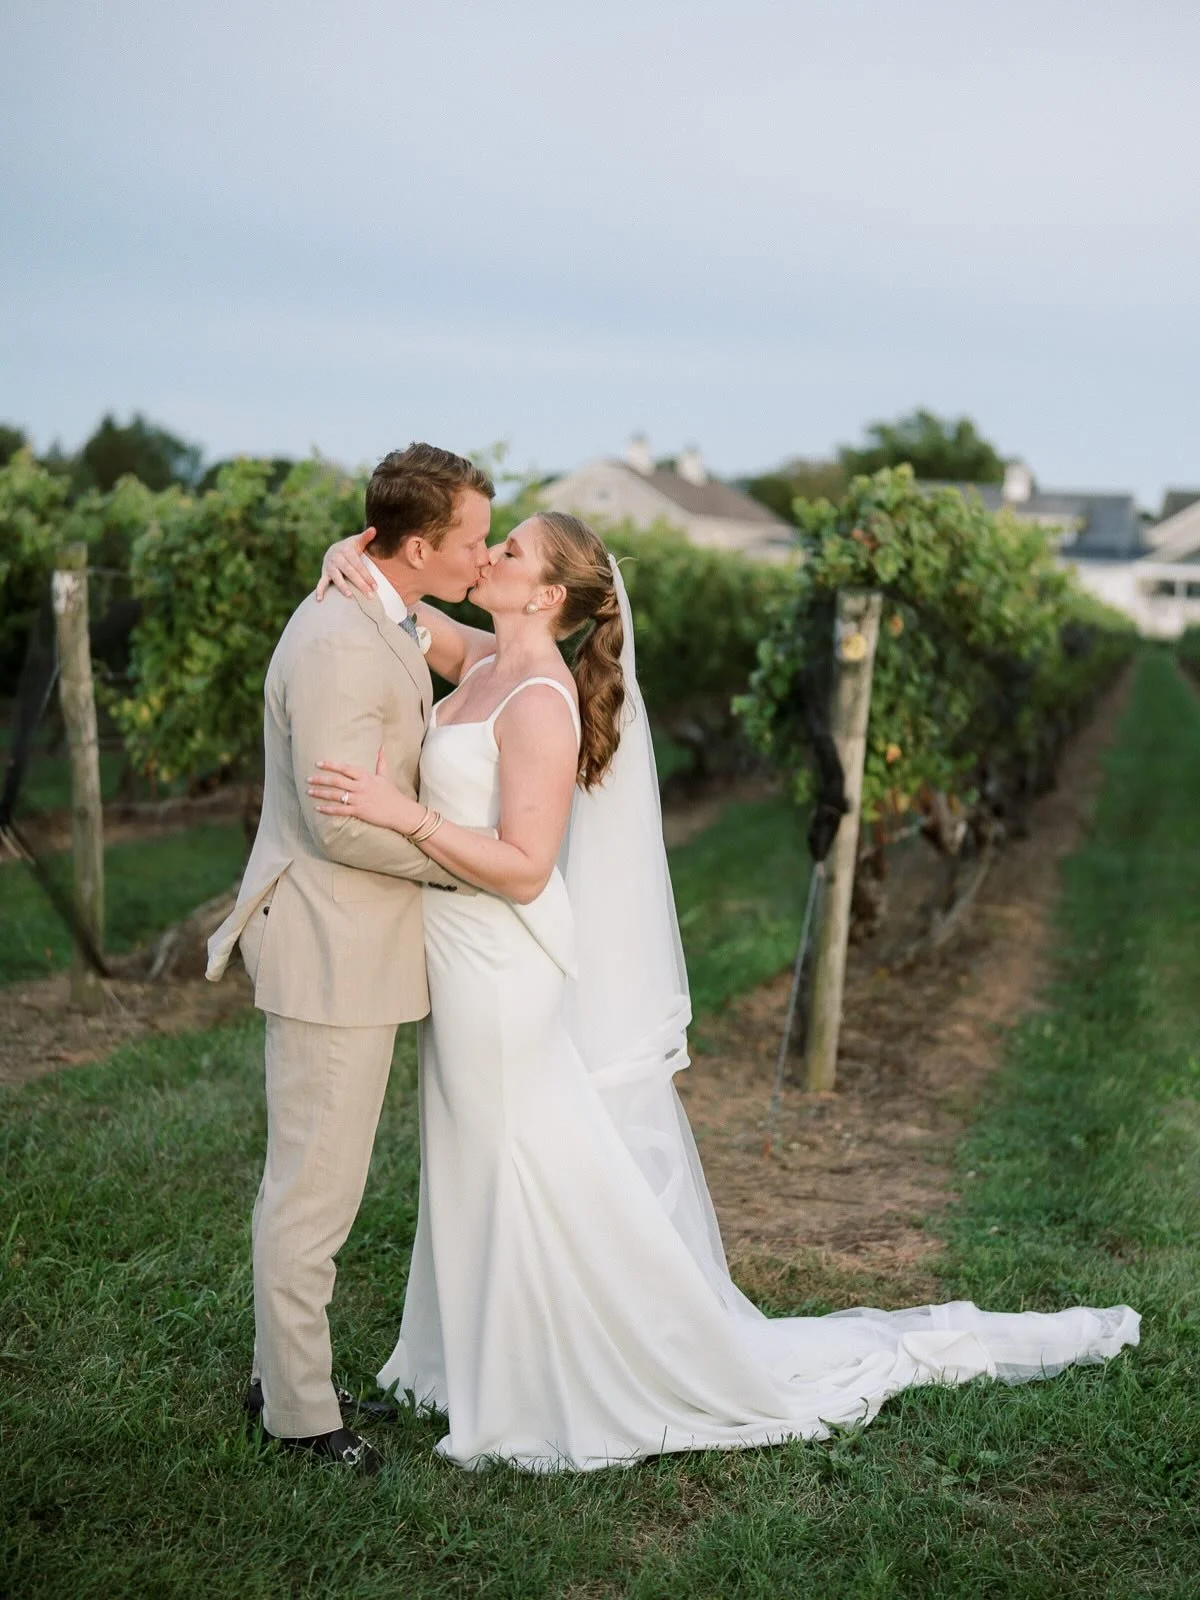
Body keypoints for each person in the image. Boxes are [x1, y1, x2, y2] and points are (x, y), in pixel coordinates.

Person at [311, 510, 1140, 1473]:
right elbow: (413, 622)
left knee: (514, 1156)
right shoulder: (491, 659)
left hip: (500, 967)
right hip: (458, 962)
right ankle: (469, 1360)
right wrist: (360, 564)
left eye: (510, 551)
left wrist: (400, 813)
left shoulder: (538, 695)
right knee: (473, 1158)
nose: (487, 556)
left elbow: (528, 868)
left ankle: (542, 1375)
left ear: (547, 596)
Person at [205, 443, 495, 1474]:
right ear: (417, 546)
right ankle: (297, 1418)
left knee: (320, 1180)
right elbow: (339, 824)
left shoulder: (381, 599)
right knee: (313, 1191)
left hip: (358, 943)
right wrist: (472, 868)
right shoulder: (336, 638)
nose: (486, 551)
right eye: (472, 539)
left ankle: (287, 1374)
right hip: (330, 944)